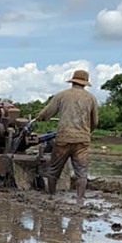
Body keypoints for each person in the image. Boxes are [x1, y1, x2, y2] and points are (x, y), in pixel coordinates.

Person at [35, 69, 99, 203]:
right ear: (85, 83)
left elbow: (47, 112)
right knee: (81, 173)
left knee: (53, 170)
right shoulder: (91, 98)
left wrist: (39, 118)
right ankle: (80, 200)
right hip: (82, 141)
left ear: (72, 81)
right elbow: (95, 122)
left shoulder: (62, 96)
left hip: (63, 138)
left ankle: (51, 196)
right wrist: (87, 132)